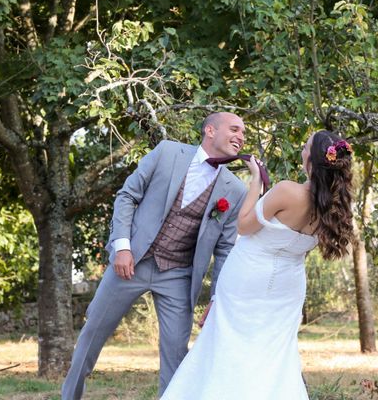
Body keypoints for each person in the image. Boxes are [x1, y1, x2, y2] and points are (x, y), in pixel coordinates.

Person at [61, 112, 248, 400]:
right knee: (91, 336)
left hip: (178, 274)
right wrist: (122, 247)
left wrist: (217, 297)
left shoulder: (235, 190)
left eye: (244, 133)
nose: (241, 136)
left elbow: (225, 249)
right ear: (210, 130)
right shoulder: (167, 152)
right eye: (234, 129)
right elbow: (127, 196)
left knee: (176, 354)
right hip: (131, 262)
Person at [161, 130, 355, 400]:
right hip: (288, 287)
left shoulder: (288, 190)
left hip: (249, 277)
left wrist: (255, 182)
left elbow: (244, 224)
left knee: (230, 345)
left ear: (312, 158)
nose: (302, 150)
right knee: (275, 354)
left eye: (305, 146)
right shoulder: (333, 206)